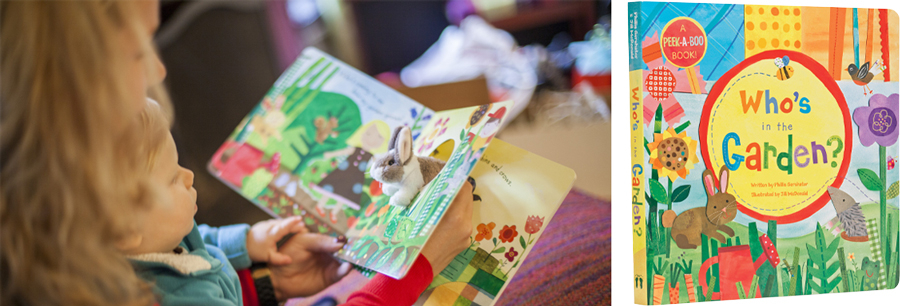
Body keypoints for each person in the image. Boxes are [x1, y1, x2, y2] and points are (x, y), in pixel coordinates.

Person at [0, 1, 473, 305]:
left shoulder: (77, 229)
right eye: (135, 51)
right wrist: (410, 274)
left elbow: (173, 266)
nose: (159, 70)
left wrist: (259, 282)